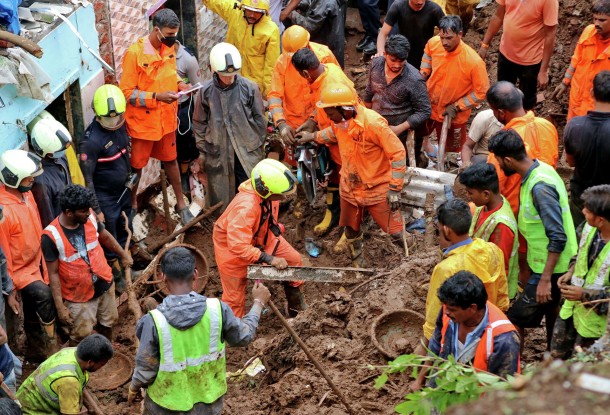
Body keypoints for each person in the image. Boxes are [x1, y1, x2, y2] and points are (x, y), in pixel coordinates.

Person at [127, 246, 271, 414]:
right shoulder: (218, 310)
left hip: (166, 405)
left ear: (162, 277)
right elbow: (244, 336)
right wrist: (258, 303)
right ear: (195, 274)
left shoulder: (153, 321)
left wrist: (134, 388)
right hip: (208, 403)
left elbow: (146, 368)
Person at [297, 84, 409, 266]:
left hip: (376, 189)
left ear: (345, 109)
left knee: (396, 232)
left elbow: (398, 153)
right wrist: (311, 137)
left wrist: (395, 188)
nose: (328, 117)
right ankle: (359, 266)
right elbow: (332, 133)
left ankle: (412, 264)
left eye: (330, 112)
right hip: (349, 188)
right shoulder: (341, 123)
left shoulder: (373, 124)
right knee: (350, 230)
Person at [488, 129, 578, 350]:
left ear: (507, 159)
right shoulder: (542, 170)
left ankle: (512, 363)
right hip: (551, 263)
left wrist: (545, 279)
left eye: (499, 162)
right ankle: (552, 354)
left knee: (516, 318)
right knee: (550, 309)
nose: (500, 167)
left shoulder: (540, 187)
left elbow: (557, 235)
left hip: (554, 267)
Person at [119, 9, 193, 225]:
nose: (173, 38)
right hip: (144, 124)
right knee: (137, 167)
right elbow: (126, 93)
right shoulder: (135, 54)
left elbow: (170, 74)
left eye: (175, 33)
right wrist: (156, 97)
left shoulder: (168, 47)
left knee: (171, 161)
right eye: (169, 33)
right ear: (157, 30)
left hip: (166, 121)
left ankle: (181, 204)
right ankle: (133, 204)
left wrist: (181, 85)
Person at [213, 159, 306, 317]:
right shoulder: (245, 207)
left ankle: (296, 307)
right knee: (233, 299)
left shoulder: (268, 196)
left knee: (294, 260)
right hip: (232, 252)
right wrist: (269, 259)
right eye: (281, 194)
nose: (284, 197)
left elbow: (267, 219)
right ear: (268, 191)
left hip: (264, 239)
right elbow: (238, 246)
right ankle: (235, 335)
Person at [41, 185, 132, 344]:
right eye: (83, 211)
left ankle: (104, 353)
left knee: (108, 322)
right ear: (69, 212)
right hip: (78, 295)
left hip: (104, 282)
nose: (89, 213)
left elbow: (105, 237)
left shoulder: (90, 218)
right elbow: (53, 273)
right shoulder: (51, 236)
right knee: (81, 334)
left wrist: (123, 255)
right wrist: (60, 308)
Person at [412, 271, 520, 390]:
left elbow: (503, 386)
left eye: (452, 309)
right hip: (444, 383)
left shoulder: (504, 339)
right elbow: (435, 346)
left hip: (476, 396)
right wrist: (420, 380)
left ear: (472, 308)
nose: (446, 312)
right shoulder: (449, 311)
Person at [423, 198, 509, 343]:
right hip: (488, 325)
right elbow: (502, 297)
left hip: (459, 333)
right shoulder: (492, 250)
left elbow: (434, 317)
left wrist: (424, 347)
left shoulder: (446, 268)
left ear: (446, 230)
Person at [192, 43, 266, 212]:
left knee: (249, 187)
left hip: (247, 150)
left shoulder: (249, 88)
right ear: (213, 70)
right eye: (225, 75)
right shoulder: (206, 92)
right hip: (218, 152)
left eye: (232, 75)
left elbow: (260, 120)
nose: (229, 78)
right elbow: (199, 122)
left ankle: (252, 221)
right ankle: (225, 226)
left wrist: (255, 143)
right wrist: (203, 149)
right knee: (222, 194)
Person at [291, 48, 357, 236]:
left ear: (305, 73)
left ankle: (350, 229)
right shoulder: (327, 69)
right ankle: (332, 214)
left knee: (349, 186)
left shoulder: (332, 84)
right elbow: (321, 105)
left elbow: (343, 128)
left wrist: (313, 137)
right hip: (334, 144)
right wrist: (312, 121)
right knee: (334, 178)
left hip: (347, 144)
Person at [0, 150, 57, 362]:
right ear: (13, 178)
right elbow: (3, 252)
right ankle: (48, 345)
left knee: (34, 308)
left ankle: (35, 350)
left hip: (36, 262)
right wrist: (11, 288)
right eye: (27, 177)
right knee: (43, 296)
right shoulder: (4, 211)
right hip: (19, 271)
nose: (32, 180)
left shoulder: (26, 195)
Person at [80, 84, 133, 293]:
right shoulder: (90, 142)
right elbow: (88, 180)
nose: (114, 122)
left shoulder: (120, 126)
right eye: (109, 119)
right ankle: (118, 276)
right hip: (105, 198)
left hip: (123, 192)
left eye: (116, 117)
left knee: (125, 227)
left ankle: (129, 262)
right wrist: (97, 209)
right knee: (110, 235)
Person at [551, 185, 610, 359]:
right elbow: (581, 253)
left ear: (600, 220)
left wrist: (584, 294)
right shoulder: (589, 227)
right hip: (570, 312)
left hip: (595, 328)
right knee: (558, 363)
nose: (583, 211)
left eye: (588, 210)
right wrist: (571, 271)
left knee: (584, 370)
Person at [268, 25, 339, 167]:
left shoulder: (323, 56)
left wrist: (314, 120)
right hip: (294, 123)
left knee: (332, 157)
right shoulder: (282, 62)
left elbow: (333, 89)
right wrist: (281, 124)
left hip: (324, 118)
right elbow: (275, 94)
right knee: (297, 162)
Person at [420, 15, 489, 159]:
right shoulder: (434, 43)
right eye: (442, 37)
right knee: (422, 132)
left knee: (451, 148)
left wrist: (457, 106)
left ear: (460, 34)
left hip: (452, 113)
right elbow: (428, 54)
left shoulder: (473, 61)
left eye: (449, 38)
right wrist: (423, 73)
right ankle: (425, 148)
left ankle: (446, 161)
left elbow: (481, 92)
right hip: (429, 102)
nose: (444, 42)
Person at [486, 81, 559, 216]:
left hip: (515, 216)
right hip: (549, 206)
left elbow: (492, 189)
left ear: (501, 113)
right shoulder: (547, 126)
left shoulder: (503, 144)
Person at [364, 34, 432, 167]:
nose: (397, 65)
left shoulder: (414, 79)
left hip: (400, 134)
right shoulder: (375, 65)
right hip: (375, 127)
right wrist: (365, 113)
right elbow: (369, 88)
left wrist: (399, 128)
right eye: (393, 60)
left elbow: (424, 111)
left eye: (401, 61)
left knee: (398, 166)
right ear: (385, 54)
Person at [479, 0, 558, 110]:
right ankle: (505, 124)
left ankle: (524, 125)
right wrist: (484, 45)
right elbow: (498, 16)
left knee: (526, 101)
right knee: (502, 95)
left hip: (530, 61)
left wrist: (543, 70)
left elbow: (550, 34)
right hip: (505, 54)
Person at [459, 163, 519, 300]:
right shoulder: (485, 206)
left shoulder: (501, 225)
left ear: (486, 194)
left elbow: (498, 268)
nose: (468, 196)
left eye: (470, 193)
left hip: (493, 291)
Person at [17, 334, 113, 415]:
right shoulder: (69, 381)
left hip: (29, 397)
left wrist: (95, 410)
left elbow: (80, 385)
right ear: (90, 362)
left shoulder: (72, 352)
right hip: (33, 411)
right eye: (101, 364)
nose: (102, 367)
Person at [202, 0, 280, 97]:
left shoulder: (271, 30)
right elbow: (216, 2)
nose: (252, 15)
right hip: (230, 79)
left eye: (257, 11)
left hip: (253, 87)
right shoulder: (234, 13)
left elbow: (271, 66)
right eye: (249, 10)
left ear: (264, 12)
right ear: (243, 7)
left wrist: (267, 94)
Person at [564, 71, 610, 227]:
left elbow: (570, 163)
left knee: (579, 239)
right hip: (607, 200)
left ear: (592, 93)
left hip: (582, 196)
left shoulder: (574, 126)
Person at [551, 1, 610, 120]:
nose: (596, 23)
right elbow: (576, 59)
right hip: (577, 99)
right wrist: (564, 82)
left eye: (602, 20)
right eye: (594, 19)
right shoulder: (588, 31)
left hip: (598, 108)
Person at [29, 117, 73, 228]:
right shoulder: (41, 181)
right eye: (58, 151)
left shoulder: (60, 157)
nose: (63, 152)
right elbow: (47, 218)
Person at [376, 0, 444, 70]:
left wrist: (433, 45)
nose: (420, 2)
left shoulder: (434, 9)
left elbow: (446, 32)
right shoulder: (398, 5)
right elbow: (383, 33)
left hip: (425, 55)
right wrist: (381, 53)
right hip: (403, 54)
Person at [280, 0, 346, 67]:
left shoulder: (326, 3)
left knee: (321, 71)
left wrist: (291, 14)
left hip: (326, 48)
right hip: (324, 41)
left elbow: (310, 26)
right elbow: (311, 3)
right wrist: (297, 4)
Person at [175, 41, 202, 192]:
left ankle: (184, 174)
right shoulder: (155, 54)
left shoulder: (187, 59)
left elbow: (197, 86)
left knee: (183, 139)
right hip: (163, 106)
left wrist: (184, 89)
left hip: (182, 105)